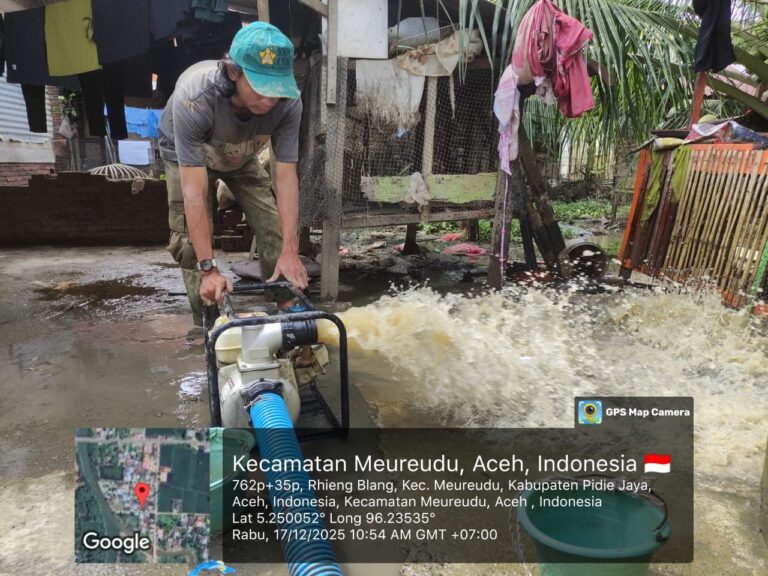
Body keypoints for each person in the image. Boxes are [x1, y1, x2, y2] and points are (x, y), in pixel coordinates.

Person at [158, 21, 308, 326]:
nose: (269, 101)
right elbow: (194, 193)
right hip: (187, 154)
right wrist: (208, 268)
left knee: (274, 228)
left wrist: (291, 250)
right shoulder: (195, 98)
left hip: (240, 153)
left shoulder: (289, 104)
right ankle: (210, 322)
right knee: (189, 241)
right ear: (233, 73)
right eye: (260, 88)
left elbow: (286, 177)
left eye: (276, 91)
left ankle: (286, 311)